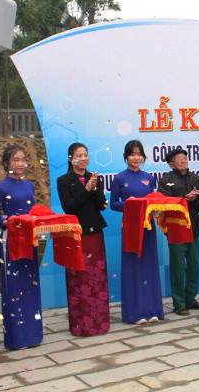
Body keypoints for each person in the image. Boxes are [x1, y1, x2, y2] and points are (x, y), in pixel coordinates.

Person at [0, 145, 43, 348]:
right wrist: (12, 221)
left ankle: (33, 335)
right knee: (13, 286)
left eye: (23, 159)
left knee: (31, 283)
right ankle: (16, 338)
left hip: (30, 239)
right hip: (11, 240)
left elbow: (33, 211)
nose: (20, 164)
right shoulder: (0, 189)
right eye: (15, 160)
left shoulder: (29, 186)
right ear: (6, 163)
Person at [56, 143, 111, 335]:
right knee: (79, 277)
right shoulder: (64, 180)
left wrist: (94, 189)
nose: (83, 158)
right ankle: (82, 325)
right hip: (76, 234)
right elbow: (69, 207)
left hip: (95, 232)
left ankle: (101, 322)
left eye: (85, 155)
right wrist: (86, 189)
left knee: (97, 276)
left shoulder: (95, 178)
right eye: (78, 155)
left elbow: (102, 205)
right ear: (70, 159)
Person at [110, 140, 164, 324]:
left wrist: (156, 210)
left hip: (148, 227)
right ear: (126, 157)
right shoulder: (119, 178)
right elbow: (113, 204)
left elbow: (152, 201)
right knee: (133, 266)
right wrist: (129, 204)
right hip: (130, 227)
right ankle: (134, 313)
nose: (136, 157)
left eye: (139, 154)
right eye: (132, 154)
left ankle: (153, 310)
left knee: (149, 265)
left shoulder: (149, 177)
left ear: (143, 157)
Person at [157, 148, 199, 315]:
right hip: (176, 230)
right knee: (178, 268)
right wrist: (184, 197)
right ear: (171, 164)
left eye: (185, 157)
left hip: (193, 227)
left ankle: (190, 299)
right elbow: (164, 202)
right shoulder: (166, 180)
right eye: (179, 158)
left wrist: (196, 198)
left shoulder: (195, 178)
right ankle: (179, 303)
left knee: (193, 266)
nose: (183, 160)